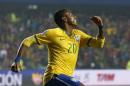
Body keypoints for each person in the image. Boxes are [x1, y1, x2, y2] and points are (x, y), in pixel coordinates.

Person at [11, 9, 105, 86]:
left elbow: (98, 44)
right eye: (71, 15)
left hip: (64, 79)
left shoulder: (78, 35)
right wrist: (17, 60)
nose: (74, 17)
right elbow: (27, 40)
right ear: (64, 19)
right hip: (54, 76)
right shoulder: (53, 33)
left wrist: (100, 27)